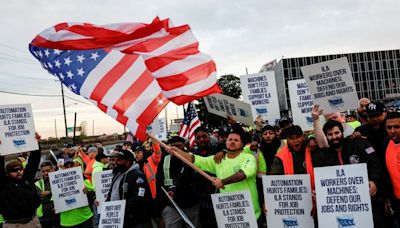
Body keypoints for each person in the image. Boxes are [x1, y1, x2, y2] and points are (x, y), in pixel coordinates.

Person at [169, 131, 262, 224]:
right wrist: (179, 152)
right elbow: (197, 160)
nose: (232, 142)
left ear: (241, 144)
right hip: (229, 215)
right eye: (230, 139)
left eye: (236, 140)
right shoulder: (218, 160)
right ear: (226, 143)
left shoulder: (248, 158)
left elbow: (242, 174)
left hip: (250, 212)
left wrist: (222, 182)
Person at [319, 120, 385, 228]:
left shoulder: (358, 144)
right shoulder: (325, 155)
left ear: (342, 132)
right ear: (326, 136)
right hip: (340, 206)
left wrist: (374, 181)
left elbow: (375, 163)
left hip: (368, 200)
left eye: (337, 133)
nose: (334, 137)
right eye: (330, 134)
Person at [156, 136, 201, 228]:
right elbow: (159, 182)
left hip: (191, 203)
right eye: (173, 146)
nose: (176, 149)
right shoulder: (165, 159)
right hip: (171, 205)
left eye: (179, 146)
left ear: (184, 145)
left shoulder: (192, 157)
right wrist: (162, 206)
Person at [0, 133, 42, 228]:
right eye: (14, 170)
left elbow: (34, 162)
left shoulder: (27, 178)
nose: (19, 172)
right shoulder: (4, 183)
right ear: (7, 173)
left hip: (32, 221)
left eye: (20, 169)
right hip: (13, 224)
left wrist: (36, 144)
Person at [106, 149, 152, 228]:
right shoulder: (118, 174)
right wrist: (105, 204)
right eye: (116, 158)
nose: (116, 161)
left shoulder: (137, 175)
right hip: (119, 218)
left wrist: (121, 208)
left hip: (134, 219)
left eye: (120, 159)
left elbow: (139, 196)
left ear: (128, 162)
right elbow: (111, 192)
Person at [59, 160, 94, 228]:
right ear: (63, 168)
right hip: (67, 222)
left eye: (71, 166)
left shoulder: (84, 179)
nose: (69, 168)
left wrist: (87, 192)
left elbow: (93, 194)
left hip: (85, 218)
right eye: (67, 166)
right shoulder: (57, 184)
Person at [380, 112, 400, 226]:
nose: (392, 131)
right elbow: (387, 173)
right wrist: (388, 197)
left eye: (397, 127)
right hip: (396, 202)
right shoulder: (386, 143)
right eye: (389, 127)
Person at [35, 161, 59, 228]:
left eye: (48, 170)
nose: (45, 173)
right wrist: (53, 193)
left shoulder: (59, 179)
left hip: (60, 214)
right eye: (43, 171)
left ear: (53, 169)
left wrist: (48, 193)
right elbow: (40, 198)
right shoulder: (38, 183)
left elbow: (62, 193)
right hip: (45, 216)